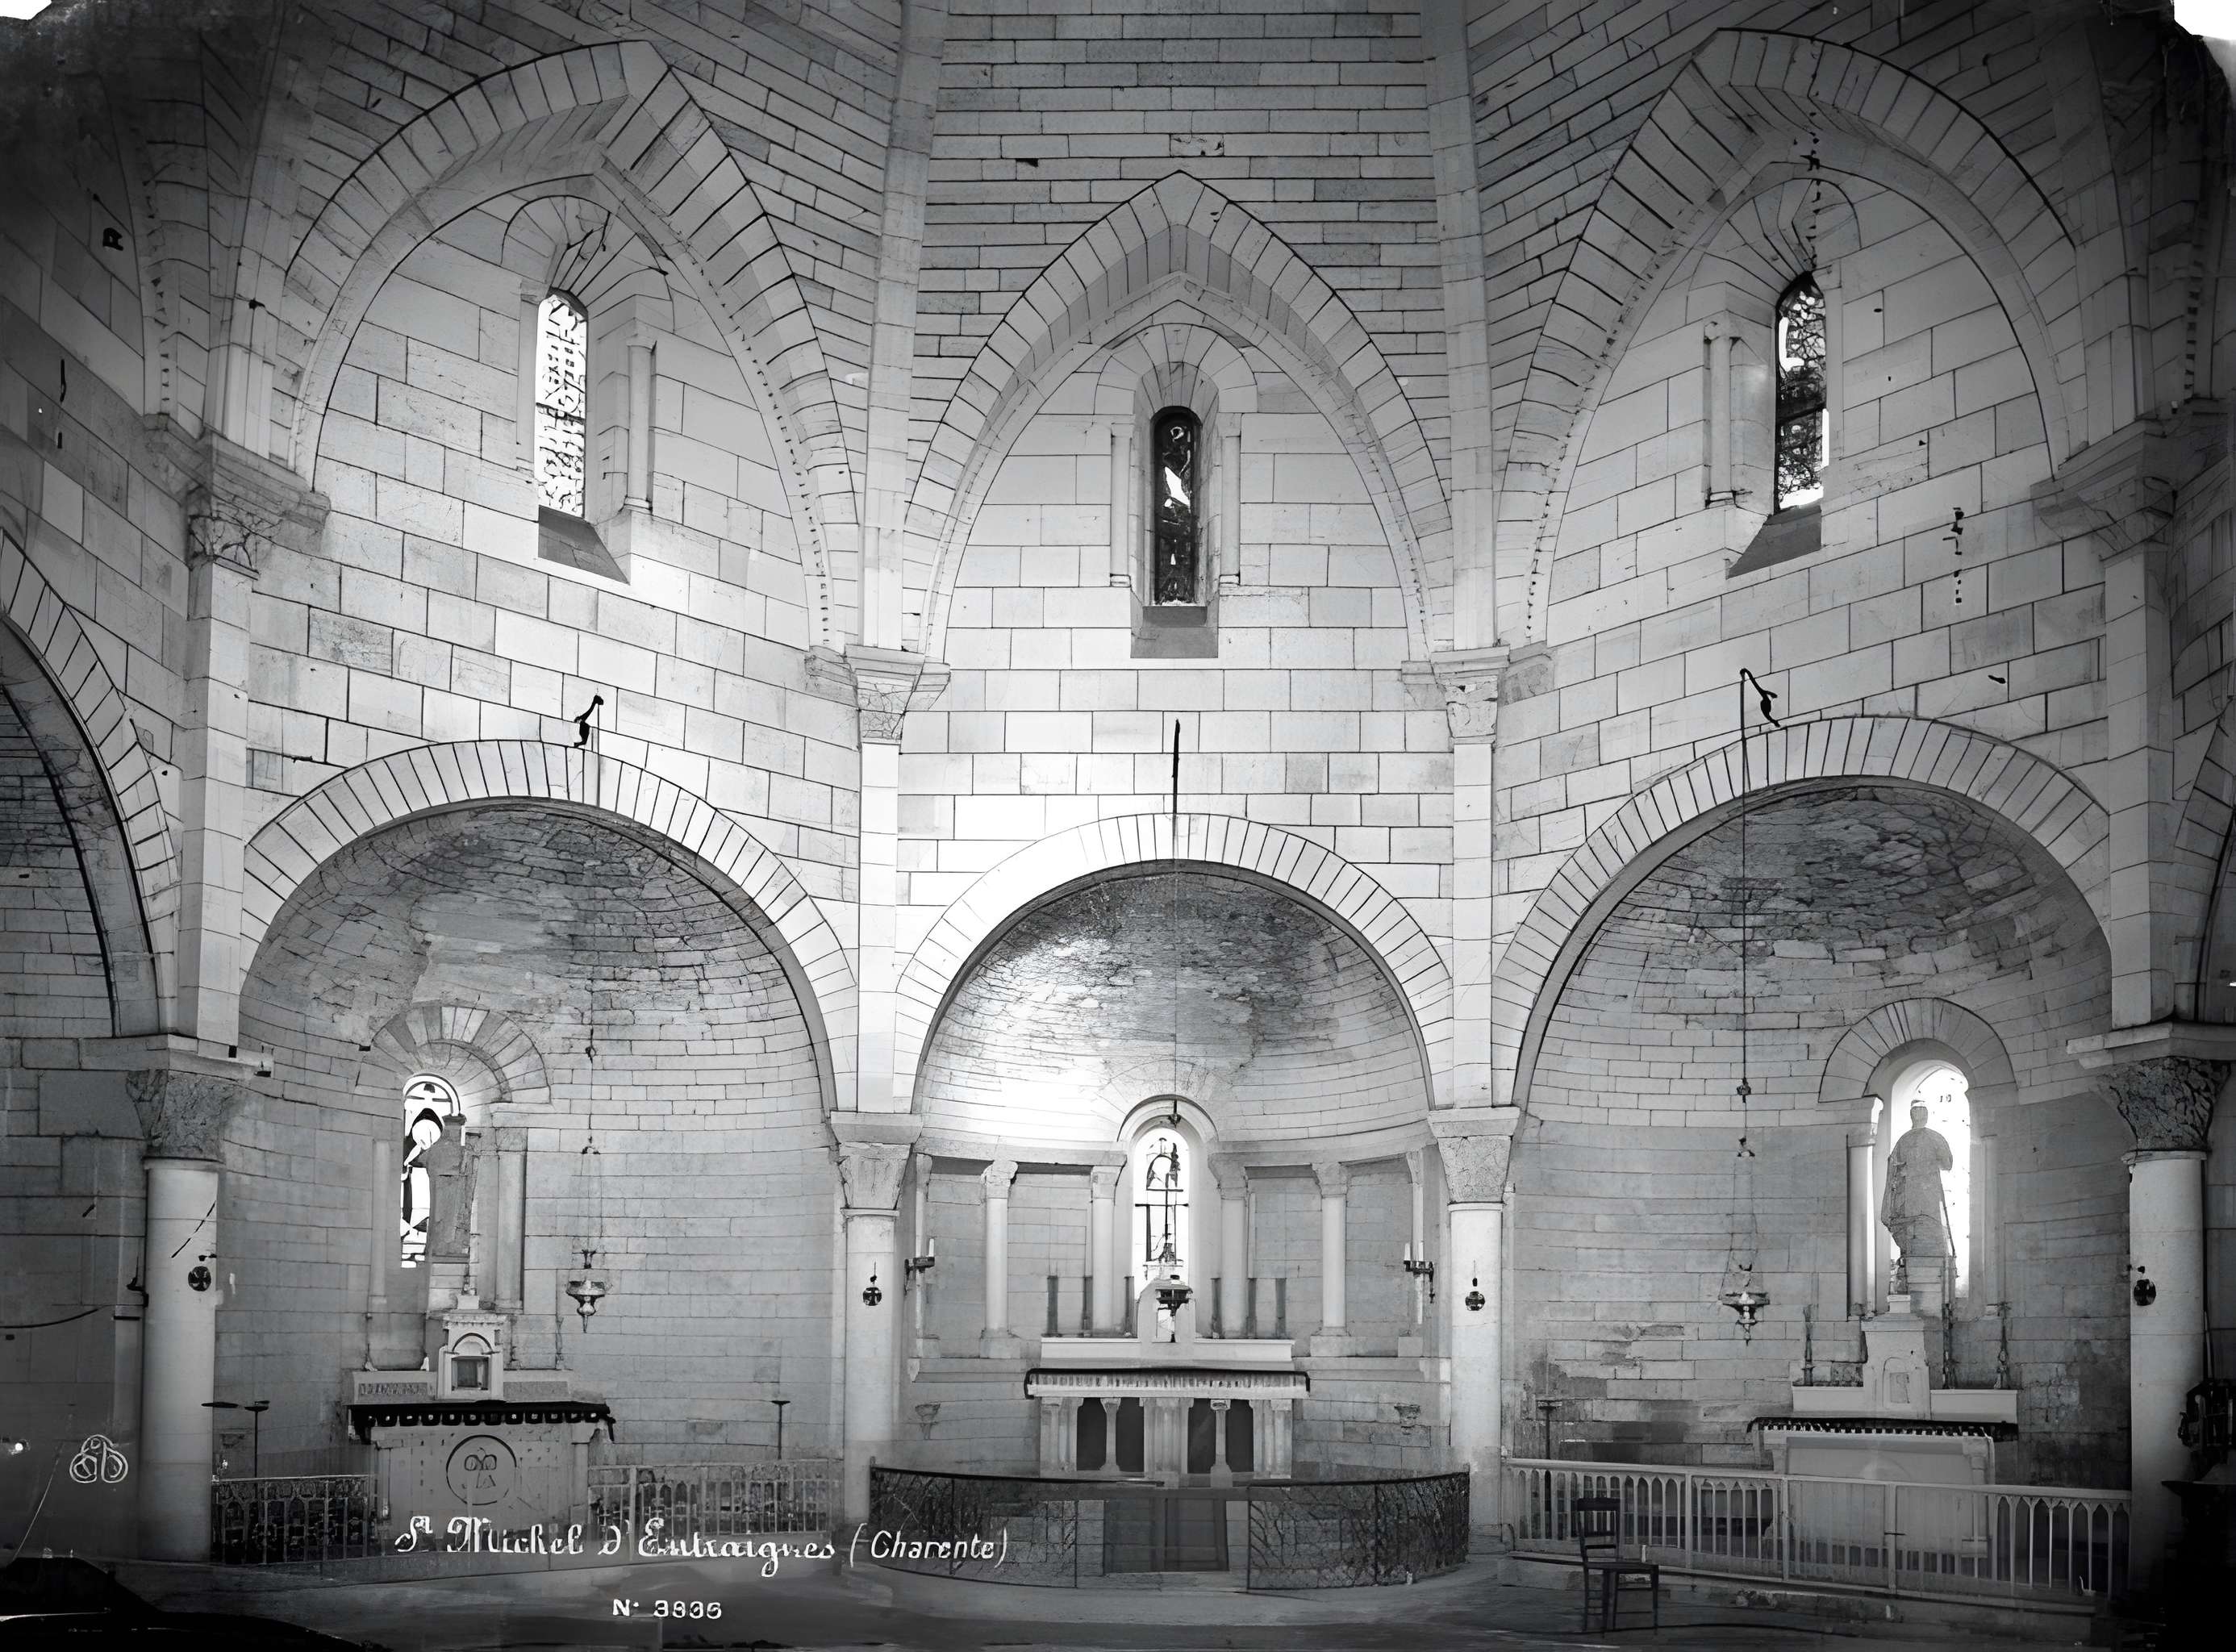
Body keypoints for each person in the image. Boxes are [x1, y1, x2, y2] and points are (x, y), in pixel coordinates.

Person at [1880, 1101, 1952, 1285]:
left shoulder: (1903, 1140)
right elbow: (1947, 1163)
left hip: (1917, 1197)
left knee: (1920, 1230)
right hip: (1923, 1195)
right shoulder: (1935, 1137)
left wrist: (1909, 1170)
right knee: (1921, 1228)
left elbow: (1894, 1170)